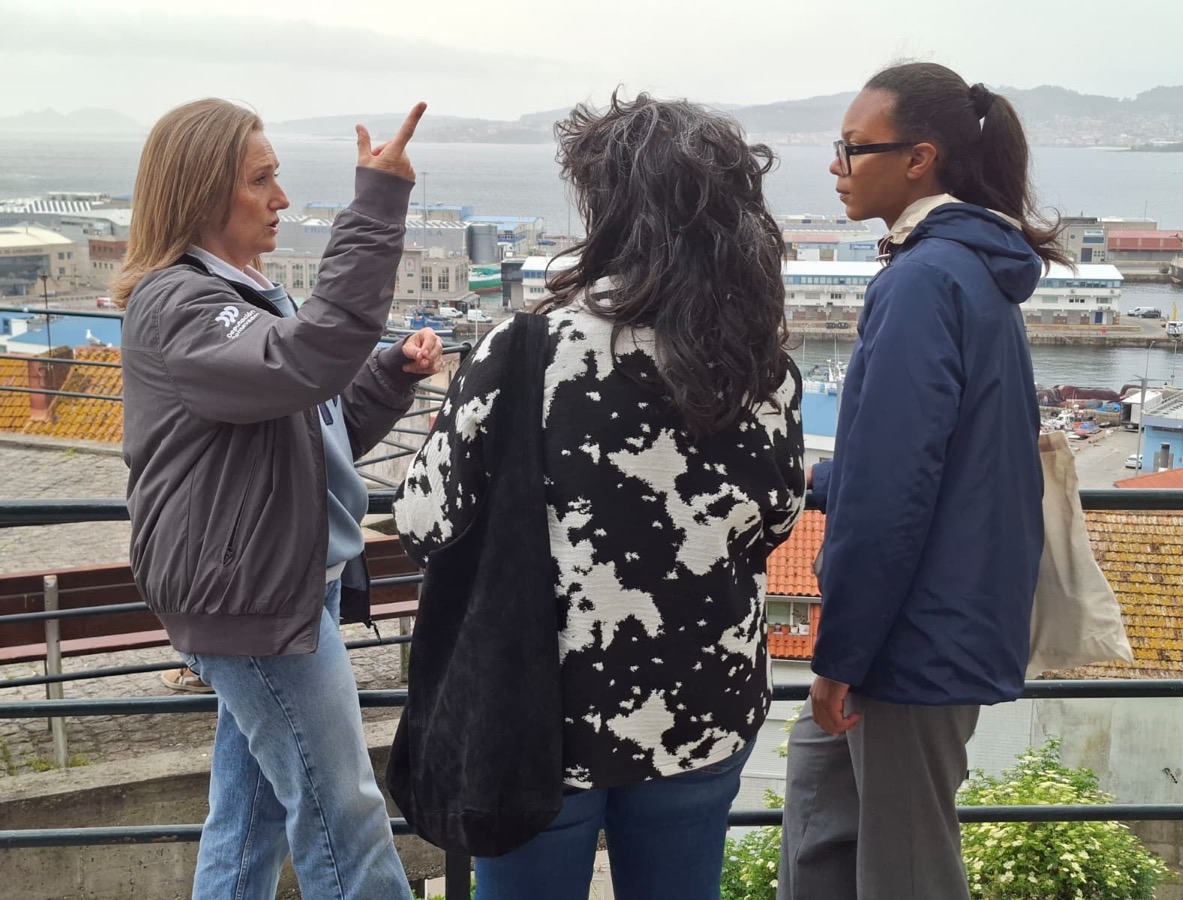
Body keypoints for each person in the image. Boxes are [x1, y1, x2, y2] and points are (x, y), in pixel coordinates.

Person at [394, 93, 806, 900]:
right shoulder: (763, 370)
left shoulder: (523, 351)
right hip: (703, 705)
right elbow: (777, 519)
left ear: (607, 212)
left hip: (539, 716)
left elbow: (424, 521)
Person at [116, 97, 442, 900]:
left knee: (248, 821)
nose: (282, 199)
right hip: (252, 599)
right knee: (345, 816)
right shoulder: (182, 307)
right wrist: (376, 203)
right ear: (201, 191)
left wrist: (386, 376)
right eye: (261, 180)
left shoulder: (245, 297)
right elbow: (305, 363)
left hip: (279, 588)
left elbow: (312, 435)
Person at [776, 63, 1068, 900]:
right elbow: (932, 458)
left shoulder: (921, 281)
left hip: (910, 638)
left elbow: (893, 491)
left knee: (906, 871)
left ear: (918, 159)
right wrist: (822, 475)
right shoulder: (968, 273)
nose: (836, 165)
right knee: (821, 823)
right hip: (938, 618)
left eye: (852, 147)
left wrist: (841, 654)